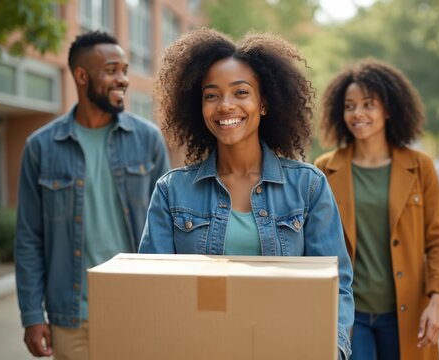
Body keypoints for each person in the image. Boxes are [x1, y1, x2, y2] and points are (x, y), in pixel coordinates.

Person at [137, 28, 354, 359]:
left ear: (263, 103)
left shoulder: (308, 187)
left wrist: (332, 349)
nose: (226, 105)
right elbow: (154, 292)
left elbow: (335, 285)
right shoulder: (171, 191)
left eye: (241, 93)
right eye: (211, 95)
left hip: (288, 350)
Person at [15, 31, 170, 359]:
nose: (123, 79)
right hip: (70, 317)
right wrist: (31, 315)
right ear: (81, 76)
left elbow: (165, 232)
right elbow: (28, 237)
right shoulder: (40, 147)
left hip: (136, 310)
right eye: (112, 70)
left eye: (125, 70)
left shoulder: (149, 140)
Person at [314, 58, 439, 360]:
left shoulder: (420, 167)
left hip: (406, 314)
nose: (358, 113)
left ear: (388, 109)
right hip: (350, 315)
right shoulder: (325, 169)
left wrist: (436, 303)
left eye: (368, 104)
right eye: (350, 105)